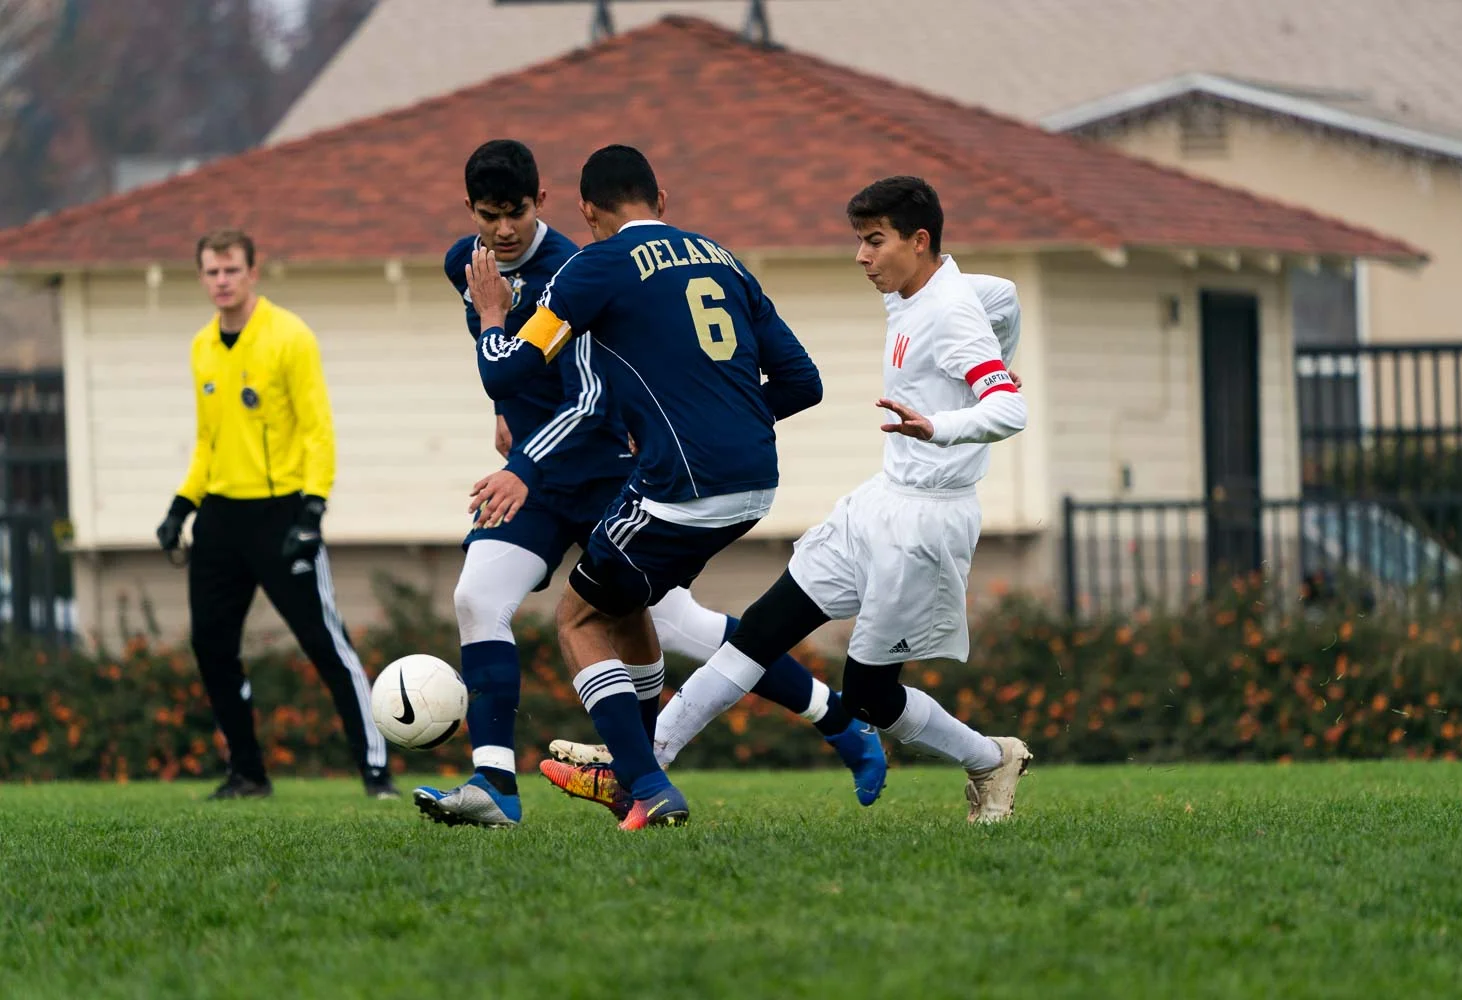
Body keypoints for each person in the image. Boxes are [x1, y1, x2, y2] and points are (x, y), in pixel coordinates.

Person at [412, 140, 883, 830]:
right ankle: (495, 785)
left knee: (664, 623)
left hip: (598, 470)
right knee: (477, 599)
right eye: (490, 216)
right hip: (544, 481)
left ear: (556, 205)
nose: (504, 228)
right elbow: (512, 375)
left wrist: (523, 461)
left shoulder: (579, 268)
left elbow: (586, 398)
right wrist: (504, 416)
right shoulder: (469, 262)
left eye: (516, 212)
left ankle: (825, 724)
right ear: (470, 211)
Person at [641, 176, 1035, 824]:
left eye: (874, 241)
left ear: (919, 240)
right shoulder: (936, 291)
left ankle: (990, 758)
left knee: (870, 697)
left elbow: (1010, 408)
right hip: (879, 502)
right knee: (763, 629)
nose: (861, 256)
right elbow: (1007, 296)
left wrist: (941, 424)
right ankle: (642, 762)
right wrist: (1000, 353)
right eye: (859, 240)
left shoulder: (950, 314)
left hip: (927, 522)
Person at [154, 229, 394, 801]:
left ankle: (376, 773)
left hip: (283, 515)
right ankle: (247, 773)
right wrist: (181, 505)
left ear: (252, 272)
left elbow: (317, 430)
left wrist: (313, 508)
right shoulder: (202, 347)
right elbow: (209, 441)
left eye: (231, 270)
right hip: (220, 519)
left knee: (325, 644)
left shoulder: (290, 336)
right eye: (212, 272)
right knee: (211, 646)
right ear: (202, 277)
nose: (222, 281)